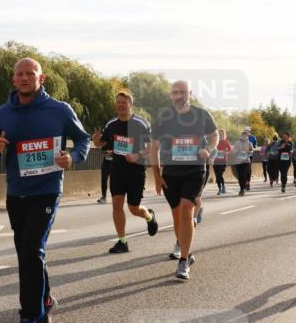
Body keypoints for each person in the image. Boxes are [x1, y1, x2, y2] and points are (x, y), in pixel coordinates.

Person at [0, 57, 90, 323]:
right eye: (20, 74)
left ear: (40, 79)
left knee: (31, 250)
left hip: (46, 190)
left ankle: (28, 319)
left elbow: (83, 140)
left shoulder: (59, 110)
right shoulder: (3, 114)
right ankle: (44, 299)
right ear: (13, 79)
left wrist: (73, 157)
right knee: (28, 253)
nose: (25, 77)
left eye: (31, 73)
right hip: (16, 191)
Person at [150, 80, 218, 280]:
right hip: (170, 172)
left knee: (187, 210)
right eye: (175, 92)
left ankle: (183, 261)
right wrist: (156, 176)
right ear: (171, 95)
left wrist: (209, 148)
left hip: (195, 170)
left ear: (190, 93)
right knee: (177, 215)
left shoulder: (201, 115)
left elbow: (214, 135)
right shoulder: (163, 117)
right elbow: (154, 147)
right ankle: (184, 248)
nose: (178, 95)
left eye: (182, 92)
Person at [94, 91, 157, 253]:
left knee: (134, 209)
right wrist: (96, 141)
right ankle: (122, 241)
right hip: (117, 170)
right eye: (118, 102)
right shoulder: (111, 124)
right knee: (116, 205)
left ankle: (149, 216)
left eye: (124, 102)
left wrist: (137, 155)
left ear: (131, 104)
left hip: (136, 172)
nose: (120, 105)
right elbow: (102, 143)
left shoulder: (141, 123)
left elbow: (151, 146)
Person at [229, 128, 254, 197]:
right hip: (238, 161)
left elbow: (252, 150)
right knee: (240, 176)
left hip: (246, 161)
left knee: (243, 175)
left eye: (246, 135)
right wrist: (235, 151)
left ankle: (242, 190)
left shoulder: (249, 143)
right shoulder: (237, 142)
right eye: (244, 135)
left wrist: (249, 152)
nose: (245, 136)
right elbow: (233, 150)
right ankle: (241, 188)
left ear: (247, 136)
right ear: (241, 135)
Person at [93, 135, 113, 204]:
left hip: (116, 162)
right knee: (104, 179)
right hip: (106, 162)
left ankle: (116, 196)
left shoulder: (118, 139)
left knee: (114, 181)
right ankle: (104, 197)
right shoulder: (105, 140)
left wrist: (113, 153)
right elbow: (102, 149)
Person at [213, 129, 232, 194]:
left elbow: (230, 150)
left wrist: (226, 153)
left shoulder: (226, 142)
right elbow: (211, 149)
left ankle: (223, 187)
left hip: (223, 161)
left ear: (224, 135)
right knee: (217, 175)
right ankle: (220, 188)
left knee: (219, 174)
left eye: (222, 134)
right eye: (219, 134)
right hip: (215, 161)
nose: (220, 135)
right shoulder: (215, 141)